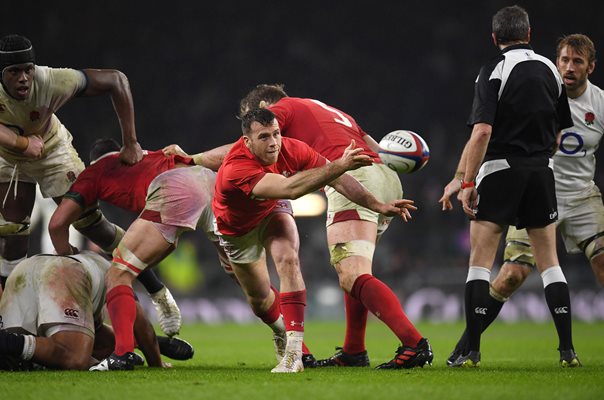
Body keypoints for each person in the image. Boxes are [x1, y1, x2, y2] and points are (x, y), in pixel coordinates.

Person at [238, 85, 432, 369]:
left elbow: (240, 154)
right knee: (355, 271)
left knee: (350, 274)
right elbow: (375, 147)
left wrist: (195, 159)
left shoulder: (280, 109)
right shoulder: (330, 110)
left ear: (266, 105)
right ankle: (354, 350)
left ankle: (414, 343)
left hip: (354, 178)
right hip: (384, 176)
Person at [441, 33, 601, 368]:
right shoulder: (540, 83)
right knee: (512, 274)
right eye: (564, 60)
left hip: (581, 194)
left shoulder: (598, 103)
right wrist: (460, 177)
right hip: (538, 186)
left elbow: (483, 130)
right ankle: (469, 343)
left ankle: (479, 351)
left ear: (591, 67)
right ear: (555, 61)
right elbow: (483, 134)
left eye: (577, 62)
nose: (568, 68)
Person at [0, 34, 153, 295]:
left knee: (91, 224)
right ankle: (8, 309)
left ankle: (156, 290)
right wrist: (22, 143)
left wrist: (131, 142)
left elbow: (116, 79)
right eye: (14, 72)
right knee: (12, 233)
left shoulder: (50, 80)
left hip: (51, 150)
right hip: (9, 156)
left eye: (28, 70)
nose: (23, 78)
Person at [47, 139, 216, 371]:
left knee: (118, 274)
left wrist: (66, 254)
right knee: (244, 272)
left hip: (173, 192)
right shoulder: (149, 154)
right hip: (209, 182)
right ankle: (281, 329)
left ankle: (123, 352)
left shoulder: (93, 173)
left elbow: (56, 224)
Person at [0, 251, 193, 370]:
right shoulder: (119, 272)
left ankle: (12, 343)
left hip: (23, 271)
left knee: (14, 361)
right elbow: (141, 325)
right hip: (64, 272)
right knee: (74, 356)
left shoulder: (99, 262)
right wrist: (156, 362)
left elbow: (100, 336)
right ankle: (8, 341)